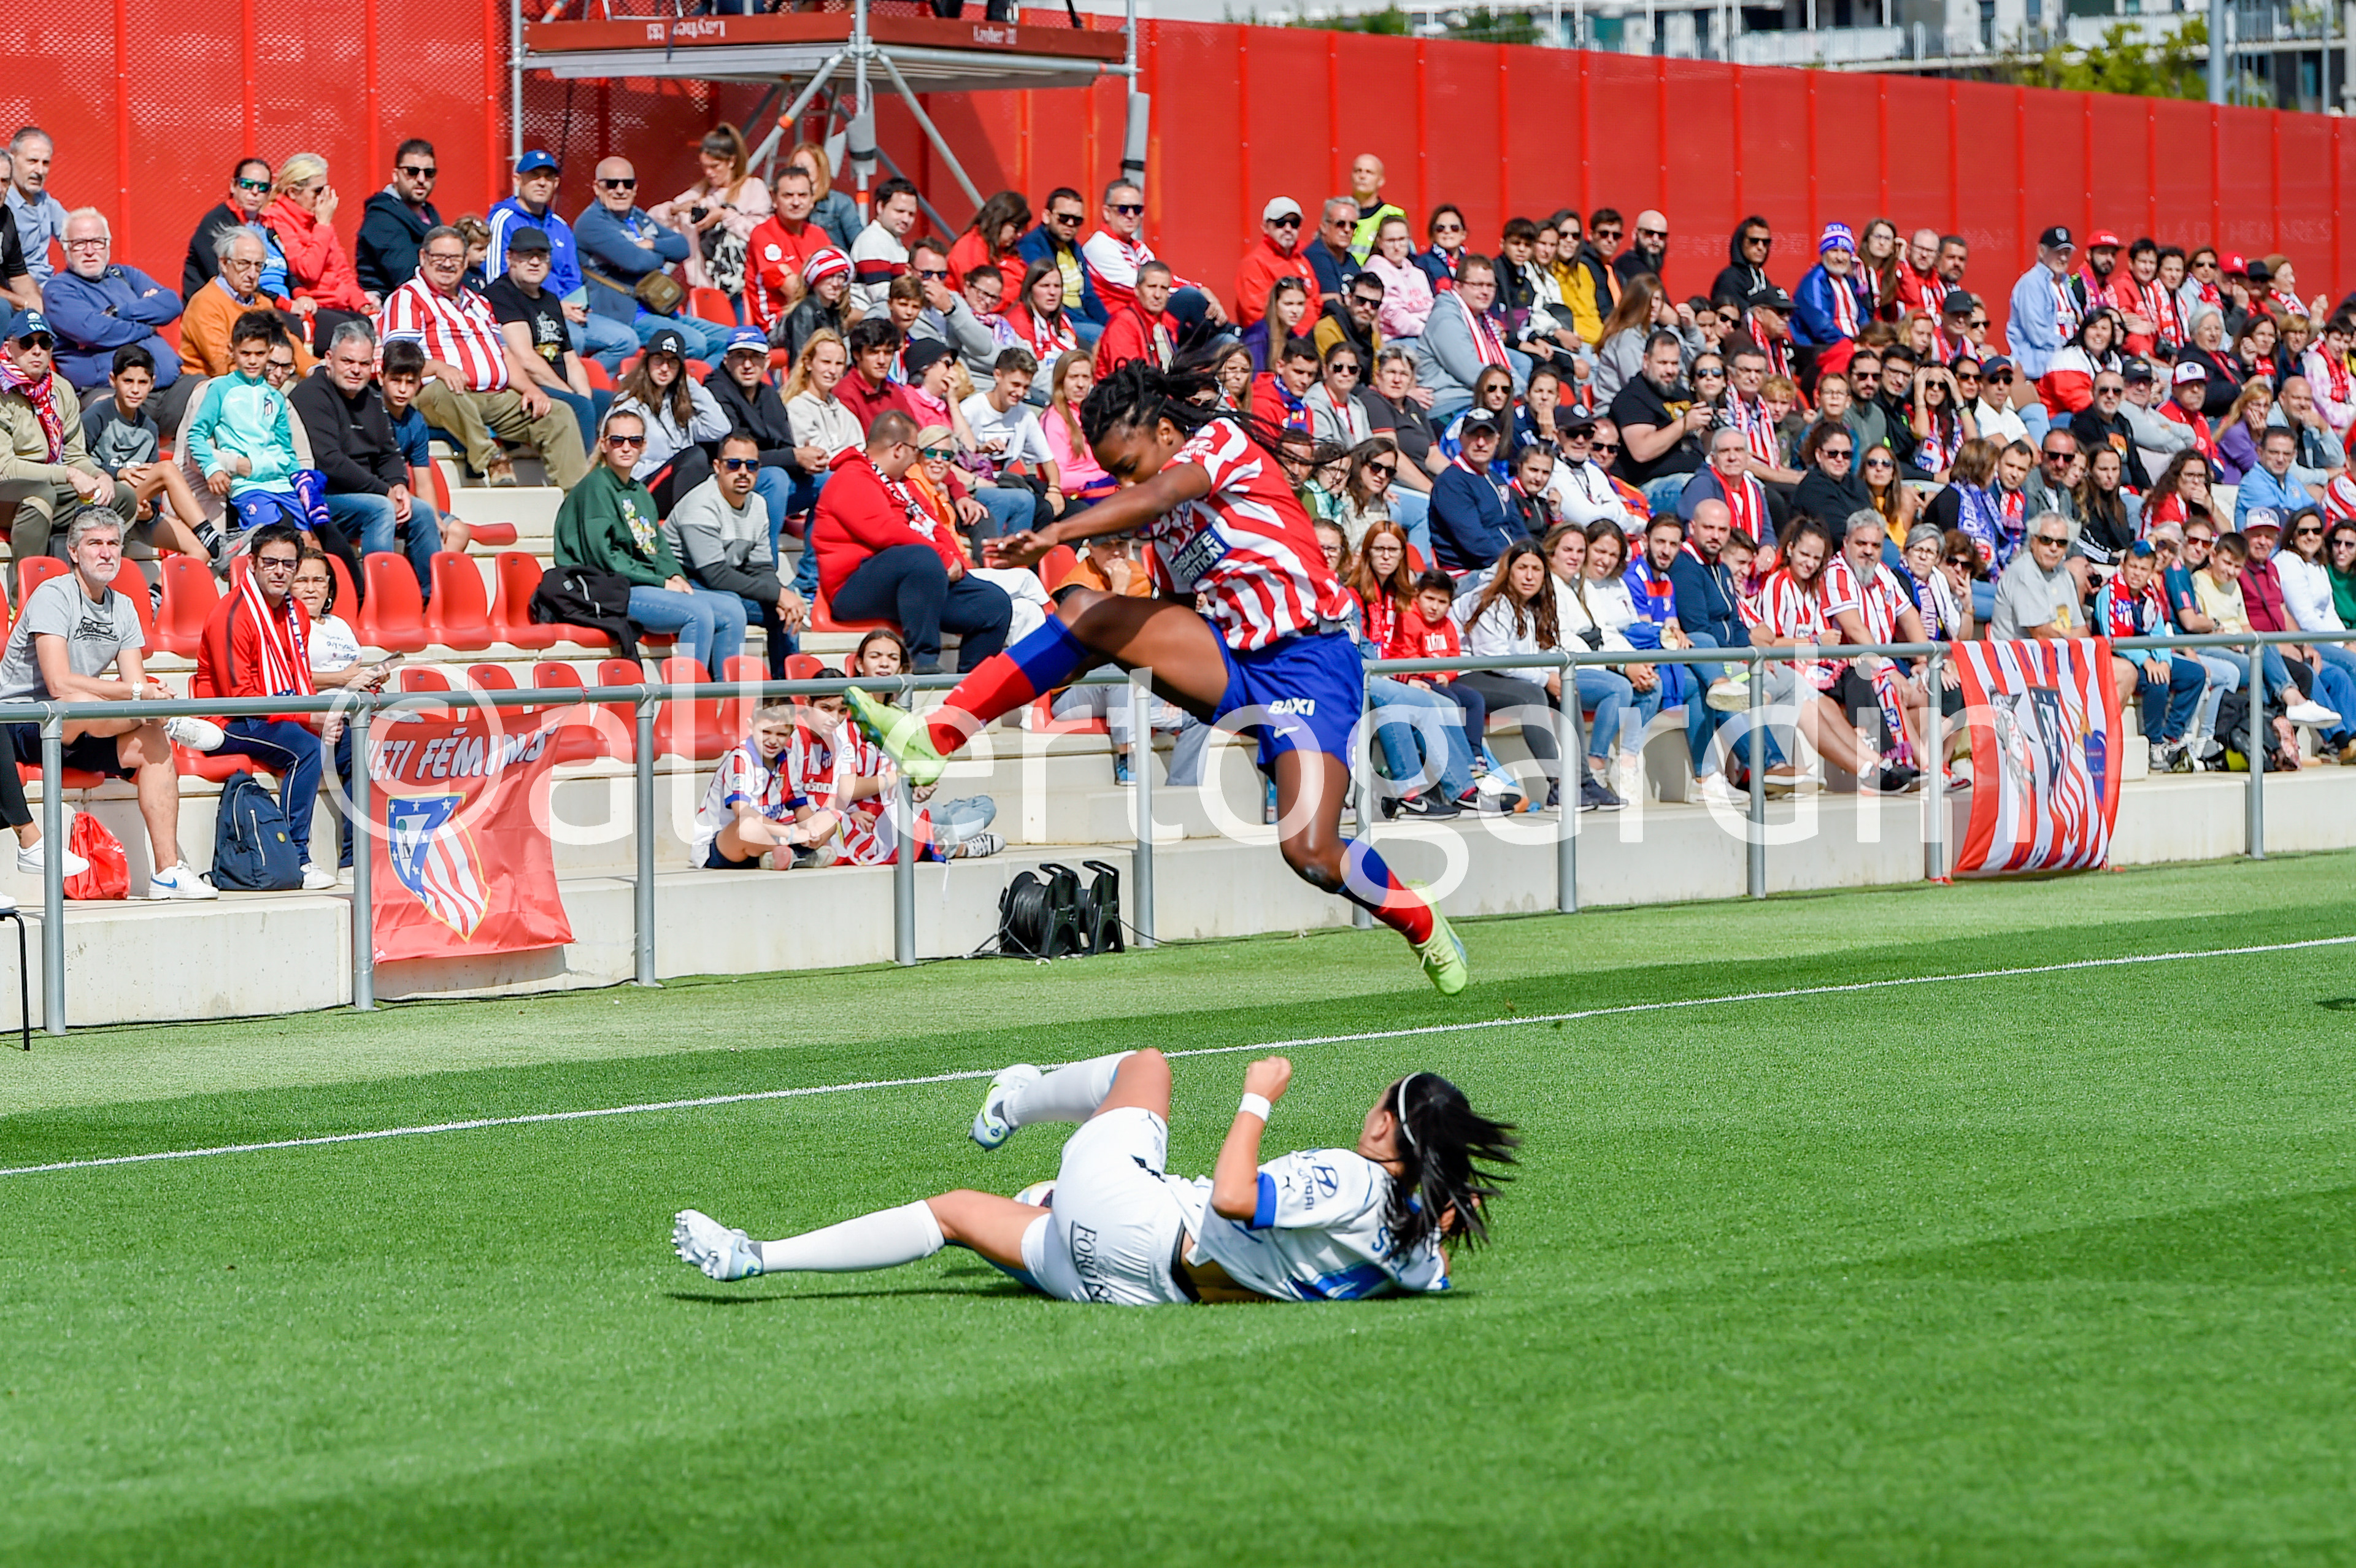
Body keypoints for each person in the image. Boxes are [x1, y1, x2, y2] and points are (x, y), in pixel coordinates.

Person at [844, 361, 1470, 993]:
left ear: (1166, 433)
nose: (1124, 483)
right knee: (1086, 612)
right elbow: (1171, 611)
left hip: (1311, 664)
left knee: (1310, 853)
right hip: (1233, 662)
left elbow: (1159, 494)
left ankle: (1416, 914)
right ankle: (935, 736)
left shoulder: (1219, 444)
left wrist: (1057, 531)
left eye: (1127, 465)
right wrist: (1081, 653)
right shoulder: (1167, 530)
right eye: (1112, 473)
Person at [677, 1046, 1517, 1314]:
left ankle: (1014, 1101)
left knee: (1146, 1068)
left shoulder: (1352, 1177)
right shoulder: (1414, 1254)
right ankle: (754, 1256)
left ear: (1386, 1127)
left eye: (1377, 1106)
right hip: (1135, 1290)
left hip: (1141, 1223)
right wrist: (1443, 1211)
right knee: (962, 1212)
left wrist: (1257, 1099)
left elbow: (1236, 1196)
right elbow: (1432, 1262)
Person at [0, 510, 220, 899]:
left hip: (80, 724)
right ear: (73, 551)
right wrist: (140, 695)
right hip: (25, 720)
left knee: (153, 743)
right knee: (80, 700)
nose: (106, 553)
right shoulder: (53, 595)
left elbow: (135, 682)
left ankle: (168, 872)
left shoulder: (124, 607)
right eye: (95, 544)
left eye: (114, 544)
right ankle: (167, 719)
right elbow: (59, 682)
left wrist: (146, 694)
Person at [191, 523, 347, 889]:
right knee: (306, 749)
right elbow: (241, 699)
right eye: (271, 562)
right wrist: (309, 717)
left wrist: (317, 715)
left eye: (288, 564)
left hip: (272, 712)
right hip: (228, 721)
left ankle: (356, 857)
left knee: (356, 739)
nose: (280, 571)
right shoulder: (232, 615)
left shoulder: (295, 613)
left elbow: (297, 676)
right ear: (253, 563)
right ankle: (296, 855)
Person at [375, 225, 589, 489]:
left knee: (558, 413)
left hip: (495, 397)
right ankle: (493, 459)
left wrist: (530, 389)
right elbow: (397, 360)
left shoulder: (479, 302)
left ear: (466, 261)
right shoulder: (407, 298)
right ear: (423, 257)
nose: (447, 264)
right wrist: (439, 368)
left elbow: (504, 354)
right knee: (447, 391)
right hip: (437, 395)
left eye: (455, 258)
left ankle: (577, 499)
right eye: (439, 257)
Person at [810, 411, 1011, 675]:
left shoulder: (905, 484)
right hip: (855, 585)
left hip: (916, 579)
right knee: (921, 558)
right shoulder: (852, 477)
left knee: (994, 603)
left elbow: (935, 526)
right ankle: (924, 663)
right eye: (916, 450)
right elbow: (885, 531)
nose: (916, 457)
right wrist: (943, 557)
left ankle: (973, 685)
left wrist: (956, 561)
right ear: (898, 449)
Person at [555, 408, 746, 674]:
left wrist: (676, 575)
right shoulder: (595, 487)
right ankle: (688, 698)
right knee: (698, 613)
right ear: (604, 444)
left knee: (733, 610)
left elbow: (658, 547)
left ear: (644, 446)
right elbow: (605, 560)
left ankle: (729, 697)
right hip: (611, 590)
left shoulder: (639, 491)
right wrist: (662, 582)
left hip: (644, 585)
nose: (626, 448)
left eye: (634, 441)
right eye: (618, 440)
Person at [288, 318, 444, 598]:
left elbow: (390, 452)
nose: (356, 370)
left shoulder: (371, 399)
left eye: (363, 364)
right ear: (329, 358)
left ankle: (431, 599)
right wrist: (383, 490)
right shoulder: (311, 395)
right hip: (323, 497)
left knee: (421, 512)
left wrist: (398, 485)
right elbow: (329, 461)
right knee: (380, 508)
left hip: (366, 493)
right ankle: (380, 599)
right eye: (348, 361)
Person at [1, 308, 137, 594]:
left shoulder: (61, 389)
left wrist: (99, 476)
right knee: (40, 495)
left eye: (44, 343)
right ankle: (24, 597)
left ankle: (93, 589)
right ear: (9, 348)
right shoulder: (3, 390)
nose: (36, 351)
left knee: (121, 497)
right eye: (27, 343)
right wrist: (69, 475)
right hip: (9, 489)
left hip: (51, 484)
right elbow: (7, 467)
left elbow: (76, 455)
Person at [667, 430, 798, 679]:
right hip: (686, 582)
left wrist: (780, 598)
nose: (743, 472)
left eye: (752, 465)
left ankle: (786, 693)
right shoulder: (701, 504)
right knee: (734, 605)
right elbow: (715, 575)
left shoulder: (758, 504)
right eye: (734, 464)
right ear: (717, 467)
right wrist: (778, 594)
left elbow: (761, 568)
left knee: (787, 612)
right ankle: (727, 692)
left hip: (722, 582)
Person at [572, 156, 728, 365]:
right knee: (695, 343)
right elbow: (636, 261)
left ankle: (701, 383)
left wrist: (651, 244)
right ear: (597, 187)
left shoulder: (636, 215)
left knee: (731, 340)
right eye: (612, 184)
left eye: (628, 184)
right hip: (626, 316)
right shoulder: (591, 223)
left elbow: (683, 247)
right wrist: (658, 252)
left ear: (635, 187)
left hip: (660, 308)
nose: (621, 190)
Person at [76, 345, 212, 563]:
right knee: (167, 469)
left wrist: (149, 510)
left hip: (136, 510)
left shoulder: (150, 428)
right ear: (113, 380)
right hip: (101, 501)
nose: (135, 390)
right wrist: (117, 472)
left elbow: (154, 492)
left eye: (142, 382)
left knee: (200, 551)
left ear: (152, 383)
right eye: (128, 381)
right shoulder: (96, 416)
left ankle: (159, 590)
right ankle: (209, 533)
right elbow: (75, 463)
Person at [483, 224, 600, 452]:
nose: (535, 262)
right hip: (525, 388)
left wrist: (584, 395)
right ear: (510, 258)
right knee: (582, 408)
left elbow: (570, 359)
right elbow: (525, 360)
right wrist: (572, 396)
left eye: (542, 255)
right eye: (527, 255)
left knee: (617, 403)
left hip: (559, 386)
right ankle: (584, 473)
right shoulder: (500, 294)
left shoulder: (551, 300)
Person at [2095, 540, 2209, 772]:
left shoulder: (2150, 596)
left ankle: (2171, 737)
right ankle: (2154, 742)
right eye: (2133, 567)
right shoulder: (2109, 594)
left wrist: (2164, 660)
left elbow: (2158, 632)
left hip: (2150, 656)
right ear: (2123, 566)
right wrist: (2147, 661)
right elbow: (2113, 639)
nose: (2137, 573)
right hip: (2121, 660)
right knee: (2157, 682)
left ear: (2151, 572)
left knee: (2196, 674)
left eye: (2143, 569)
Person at [44, 209, 182, 395]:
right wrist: (148, 325)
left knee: (208, 390)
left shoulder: (124, 275)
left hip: (170, 384)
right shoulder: (58, 290)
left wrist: (118, 313)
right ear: (65, 248)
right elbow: (94, 331)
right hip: (108, 393)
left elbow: (171, 304)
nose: (90, 251)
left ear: (108, 245)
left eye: (97, 242)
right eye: (79, 244)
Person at [607, 325, 728, 513]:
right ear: (647, 362)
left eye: (673, 362)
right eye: (659, 360)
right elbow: (616, 459)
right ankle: (688, 521)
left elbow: (720, 429)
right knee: (694, 457)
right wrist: (671, 465)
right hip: (641, 488)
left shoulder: (678, 405)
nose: (665, 368)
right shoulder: (629, 406)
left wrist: (690, 384)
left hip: (677, 482)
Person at [645, 123, 772, 298]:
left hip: (744, 290)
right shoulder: (699, 194)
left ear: (731, 161)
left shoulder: (752, 188)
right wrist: (675, 210)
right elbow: (650, 221)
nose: (709, 173)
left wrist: (724, 216)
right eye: (705, 167)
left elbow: (763, 234)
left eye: (715, 166)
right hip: (705, 291)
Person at [261, 153, 374, 344]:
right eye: (317, 191)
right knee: (355, 332)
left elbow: (342, 271)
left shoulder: (320, 219)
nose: (324, 198)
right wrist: (323, 226)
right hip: (312, 305)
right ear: (293, 192)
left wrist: (362, 304)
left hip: (338, 303)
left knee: (370, 323)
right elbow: (306, 271)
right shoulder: (277, 219)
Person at [1082, 179, 1224, 330]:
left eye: (1137, 209)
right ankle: (1228, 330)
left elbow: (1163, 279)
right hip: (1120, 324)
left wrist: (1201, 288)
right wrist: (1199, 294)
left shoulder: (1137, 247)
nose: (1131, 215)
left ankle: (1228, 333)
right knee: (1188, 298)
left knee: (1207, 329)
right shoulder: (1099, 247)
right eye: (1123, 209)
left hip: (1147, 319)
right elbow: (1145, 290)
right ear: (1106, 212)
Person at [1414, 255, 1523, 420]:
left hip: (1480, 399)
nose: (1485, 292)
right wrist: (1518, 389)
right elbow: (1472, 373)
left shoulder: (1483, 319)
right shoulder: (1445, 318)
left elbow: (1503, 366)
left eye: (1490, 286)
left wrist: (1525, 390)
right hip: (1449, 405)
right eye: (1477, 285)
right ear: (1458, 287)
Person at [1609, 329, 1707, 505]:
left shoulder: (1680, 394)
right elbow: (1641, 451)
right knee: (1702, 489)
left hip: (1695, 474)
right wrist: (1684, 424)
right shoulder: (1632, 398)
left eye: (1674, 363)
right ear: (1646, 361)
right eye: (1663, 363)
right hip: (1649, 486)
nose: (1670, 370)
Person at [1014, 186, 1107, 344]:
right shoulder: (1032, 247)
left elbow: (1089, 296)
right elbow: (1045, 297)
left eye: (1077, 220)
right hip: (1057, 319)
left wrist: (1110, 323)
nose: (1070, 224)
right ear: (1047, 216)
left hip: (1082, 317)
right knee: (1104, 337)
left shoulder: (1074, 248)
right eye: (1064, 218)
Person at [353, 139, 442, 301]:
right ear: (396, 175)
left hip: (433, 298)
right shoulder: (381, 218)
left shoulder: (430, 212)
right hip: (391, 302)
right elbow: (407, 276)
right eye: (412, 171)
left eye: (429, 173)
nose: (421, 179)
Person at [182, 158, 274, 299]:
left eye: (263, 187)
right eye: (247, 184)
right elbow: (230, 278)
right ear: (233, 186)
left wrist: (300, 294)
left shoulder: (269, 227)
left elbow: (290, 271)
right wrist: (282, 303)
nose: (255, 192)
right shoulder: (217, 224)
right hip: (222, 304)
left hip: (267, 301)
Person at [847, 175, 921, 318]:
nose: (906, 219)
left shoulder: (892, 241)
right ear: (880, 207)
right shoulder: (872, 241)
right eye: (899, 211)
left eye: (911, 214)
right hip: (873, 323)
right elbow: (882, 295)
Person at [1093, 258, 1179, 379]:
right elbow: (1128, 377)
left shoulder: (1169, 322)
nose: (1158, 295)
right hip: (1125, 389)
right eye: (1152, 287)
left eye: (1164, 288)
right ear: (1137, 290)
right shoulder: (1123, 324)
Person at [6, 128, 67, 286]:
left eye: (45, 163)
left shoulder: (45, 201)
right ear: (11, 161)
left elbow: (74, 233)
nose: (40, 171)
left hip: (49, 285)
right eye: (32, 161)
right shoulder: (4, 204)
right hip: (16, 290)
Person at [1362, 215, 1434, 343]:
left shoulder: (1418, 274)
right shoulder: (1375, 273)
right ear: (1380, 243)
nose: (1397, 246)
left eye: (1402, 239)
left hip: (1425, 333)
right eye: (1391, 241)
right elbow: (1398, 320)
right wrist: (1432, 332)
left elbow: (1431, 309)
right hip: (1397, 340)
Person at [1712, 215, 1777, 310]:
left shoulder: (1764, 280)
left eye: (1766, 242)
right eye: (1754, 241)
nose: (1761, 247)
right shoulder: (1730, 279)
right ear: (1741, 242)